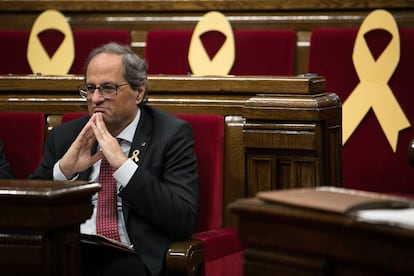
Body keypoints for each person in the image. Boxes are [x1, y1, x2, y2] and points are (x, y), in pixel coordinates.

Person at [30, 42, 199, 276]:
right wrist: (63, 171)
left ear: (139, 92)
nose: (96, 98)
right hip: (72, 249)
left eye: (108, 88)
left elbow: (182, 220)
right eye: (90, 88)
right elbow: (27, 211)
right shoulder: (66, 136)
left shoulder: (170, 134)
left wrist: (122, 165)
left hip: (131, 255)